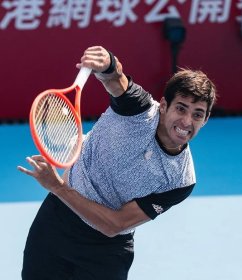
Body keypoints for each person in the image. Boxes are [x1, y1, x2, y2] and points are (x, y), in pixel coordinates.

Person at [17, 45, 217, 280]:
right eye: (181, 108)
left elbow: (115, 225)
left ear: (205, 120)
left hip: (105, 252)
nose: (186, 121)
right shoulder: (138, 109)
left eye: (197, 114)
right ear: (163, 106)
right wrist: (108, 64)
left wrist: (57, 186)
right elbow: (116, 79)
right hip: (56, 222)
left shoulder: (181, 180)